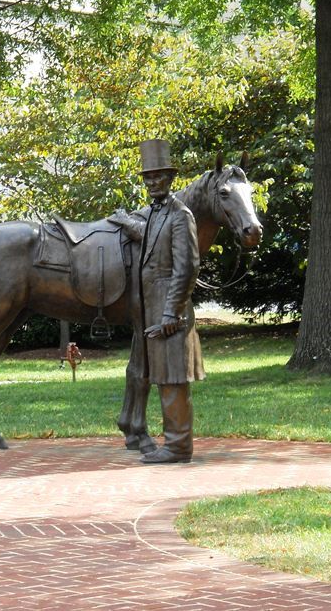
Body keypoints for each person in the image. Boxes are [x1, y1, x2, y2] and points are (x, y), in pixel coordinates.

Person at [110, 139, 204, 464]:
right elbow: (149, 234)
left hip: (169, 309)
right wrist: (125, 221)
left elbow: (187, 267)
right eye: (147, 178)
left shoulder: (180, 215)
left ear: (170, 178)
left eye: (158, 177)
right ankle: (175, 443)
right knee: (164, 376)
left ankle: (178, 446)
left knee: (173, 377)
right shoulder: (156, 213)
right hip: (156, 308)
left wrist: (171, 312)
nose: (152, 182)